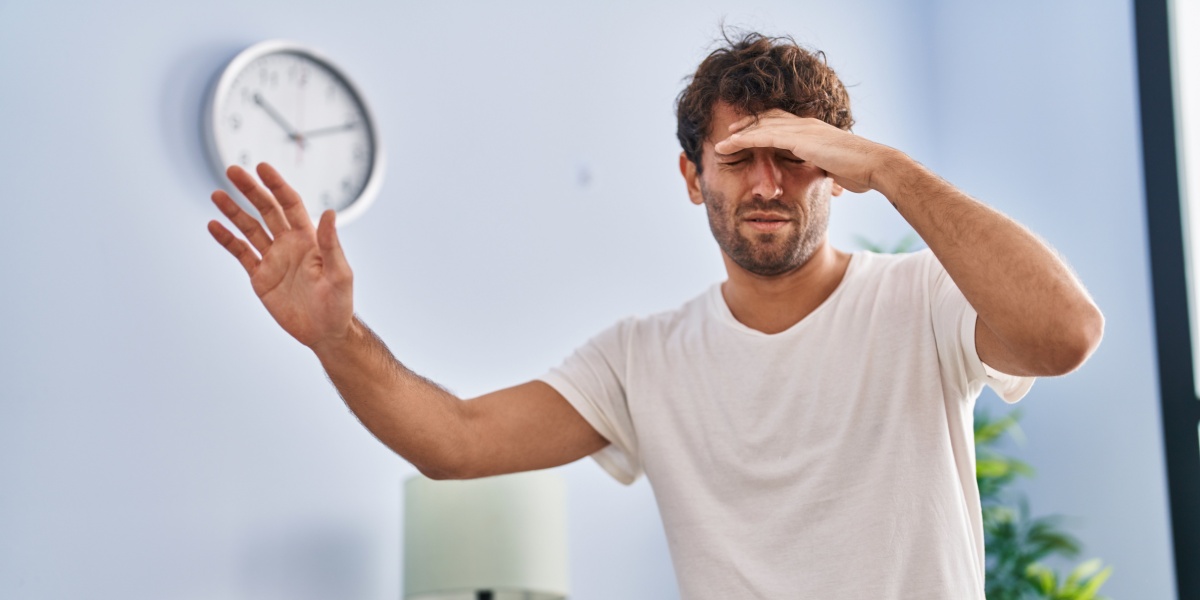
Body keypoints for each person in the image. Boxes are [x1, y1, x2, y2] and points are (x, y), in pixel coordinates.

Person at [206, 31, 1103, 600]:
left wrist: (894, 170)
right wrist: (336, 337)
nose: (765, 183)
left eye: (793, 156)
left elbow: (1067, 334)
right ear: (691, 178)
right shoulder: (643, 360)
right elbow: (457, 440)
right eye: (737, 157)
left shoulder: (921, 301)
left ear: (834, 170)